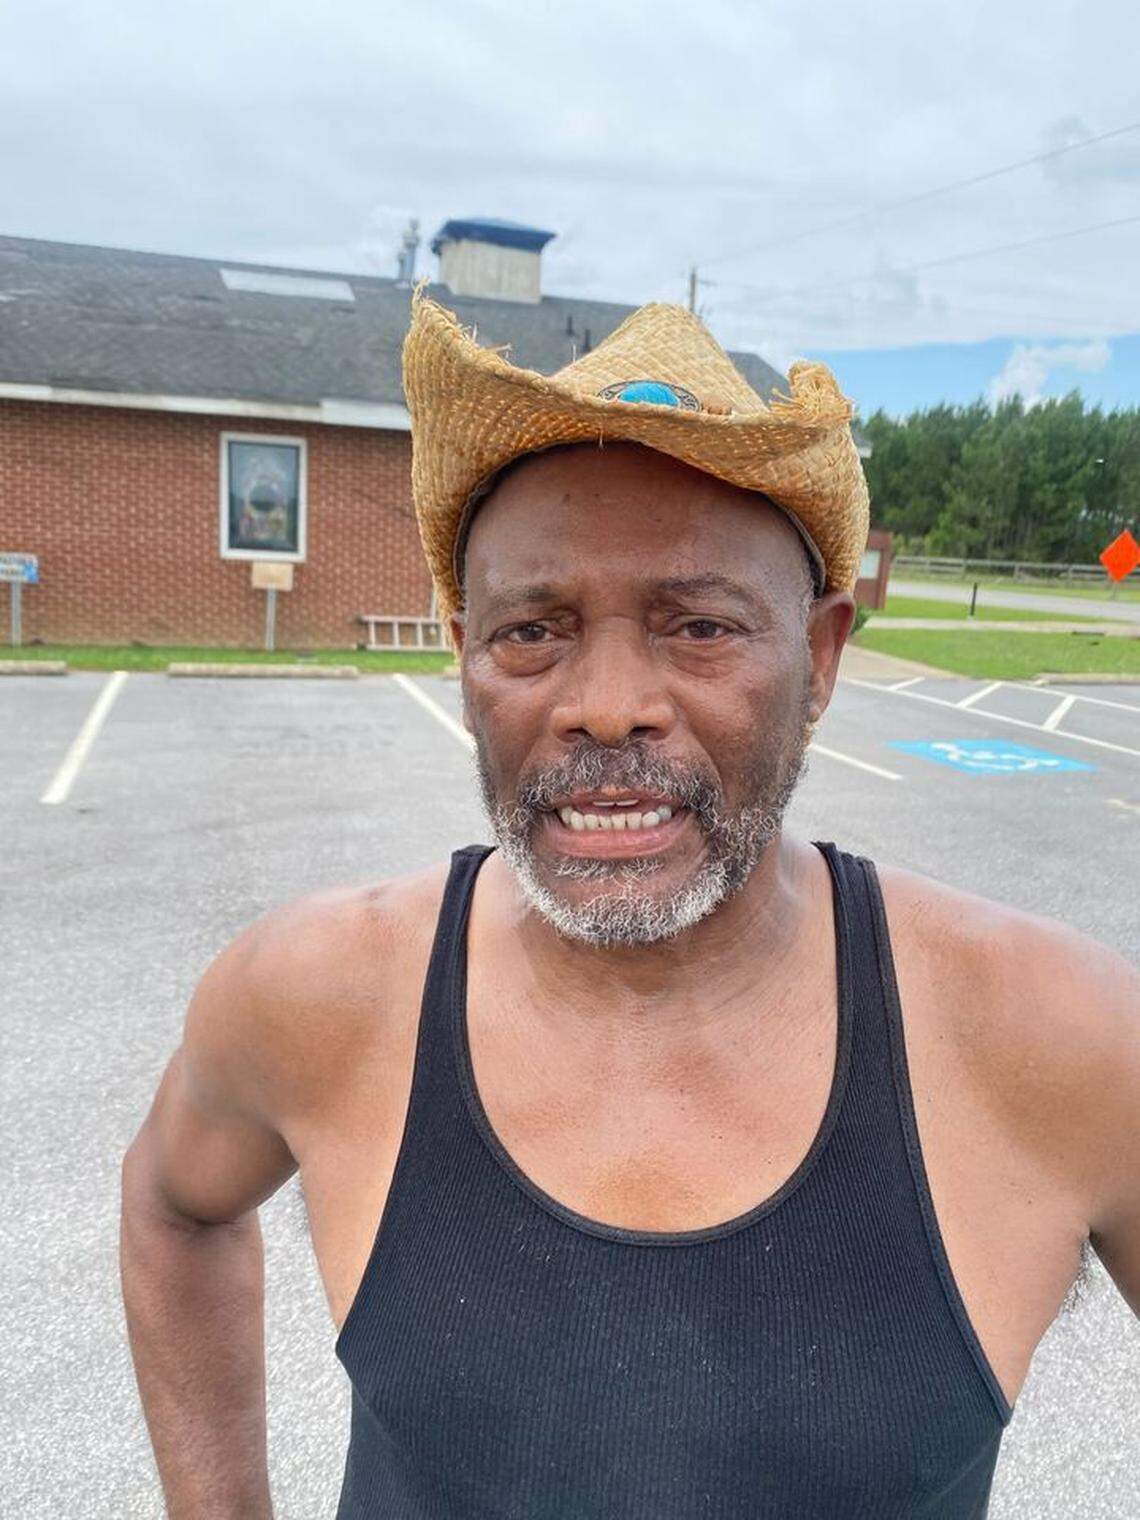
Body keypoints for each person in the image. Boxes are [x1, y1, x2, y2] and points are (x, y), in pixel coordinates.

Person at [120, 293, 1140, 1519]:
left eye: (699, 625)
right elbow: (174, 1209)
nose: (606, 703)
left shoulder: (1061, 1036)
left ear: (819, 657)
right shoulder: (315, 992)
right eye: (533, 629)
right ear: (464, 655)